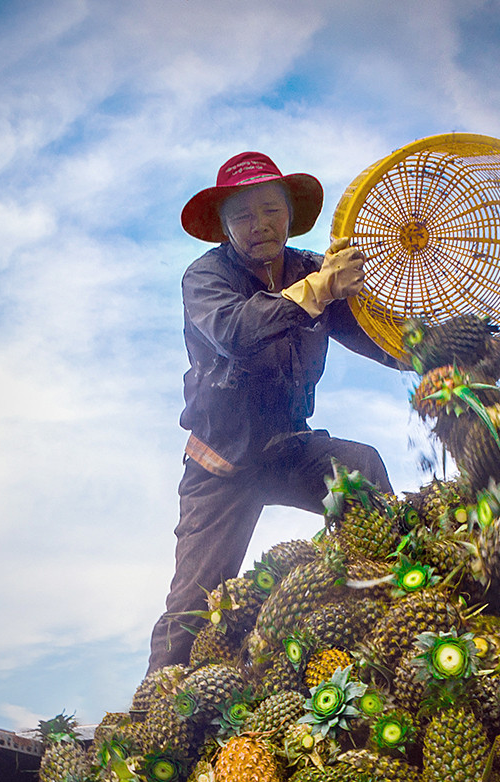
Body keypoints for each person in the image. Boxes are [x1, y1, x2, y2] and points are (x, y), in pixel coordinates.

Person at [148, 151, 411, 671]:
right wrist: (318, 289)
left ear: (290, 214)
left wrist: (447, 352)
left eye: (270, 210)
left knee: (362, 471)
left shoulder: (317, 269)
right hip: (221, 465)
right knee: (191, 609)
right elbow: (234, 332)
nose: (260, 225)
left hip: (289, 449)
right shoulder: (205, 279)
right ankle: (146, 723)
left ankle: (383, 620)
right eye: (242, 216)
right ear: (223, 227)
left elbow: (382, 338)